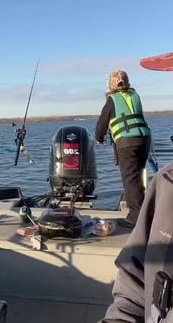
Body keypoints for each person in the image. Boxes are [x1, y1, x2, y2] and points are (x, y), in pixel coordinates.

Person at [100, 162, 173, 323]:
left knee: (130, 172)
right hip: (137, 141)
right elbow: (134, 289)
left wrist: (100, 135)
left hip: (127, 143)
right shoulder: (167, 183)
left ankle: (134, 214)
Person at [95, 70, 151, 228]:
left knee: (131, 179)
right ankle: (142, 212)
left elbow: (102, 122)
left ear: (111, 85)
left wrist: (99, 138)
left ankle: (135, 217)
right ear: (127, 82)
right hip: (144, 139)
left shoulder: (112, 99)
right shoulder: (135, 95)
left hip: (127, 142)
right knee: (139, 177)